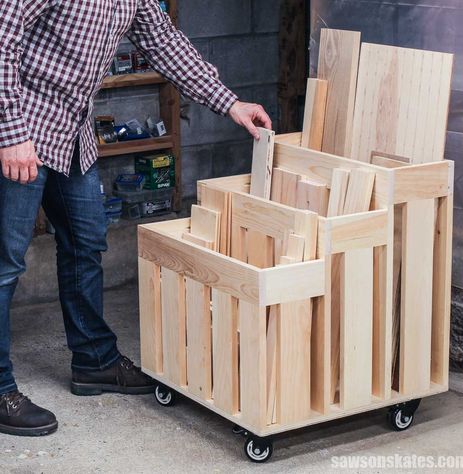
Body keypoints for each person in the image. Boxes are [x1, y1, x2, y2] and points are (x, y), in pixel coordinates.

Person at [0, 0, 272, 437]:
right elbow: (2, 36)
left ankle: (95, 361)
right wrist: (10, 132)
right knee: (5, 265)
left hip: (71, 132)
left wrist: (231, 104)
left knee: (87, 243)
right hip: (20, 128)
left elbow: (164, 42)